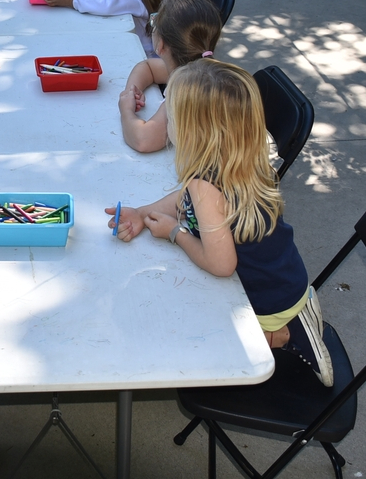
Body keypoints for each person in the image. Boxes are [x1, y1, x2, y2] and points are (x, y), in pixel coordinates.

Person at [108, 60, 334, 387]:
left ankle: (283, 334)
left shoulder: (206, 187)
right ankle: (293, 316)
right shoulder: (241, 161)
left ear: (192, 132)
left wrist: (176, 233)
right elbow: (185, 199)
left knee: (175, 330)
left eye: (171, 116)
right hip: (285, 277)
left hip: (264, 300)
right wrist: (142, 213)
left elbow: (221, 264)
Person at [119, 0, 223, 153]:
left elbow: (143, 140)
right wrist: (131, 91)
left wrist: (126, 109)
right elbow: (148, 67)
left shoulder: (186, 90)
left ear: (160, 45)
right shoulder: (201, 69)